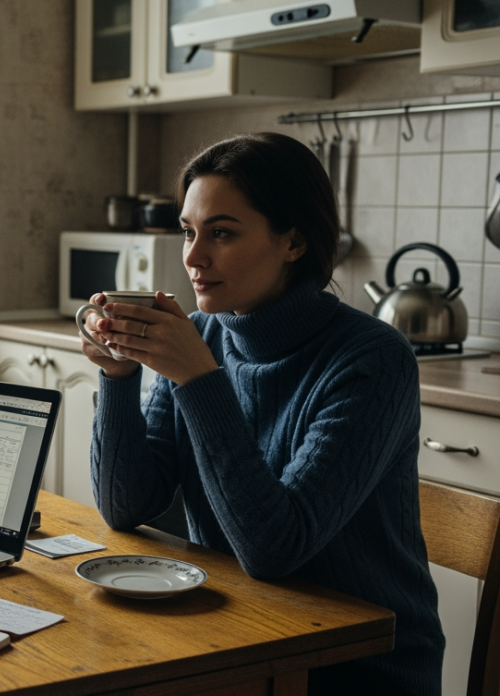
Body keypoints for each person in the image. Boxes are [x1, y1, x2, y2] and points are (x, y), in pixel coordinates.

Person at [81, 133, 444, 696]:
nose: (193, 257)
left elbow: (275, 548)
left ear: (293, 241)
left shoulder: (372, 361)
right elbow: (127, 507)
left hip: (352, 668)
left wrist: (199, 381)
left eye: (221, 233)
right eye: (188, 232)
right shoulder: (203, 334)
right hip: (232, 636)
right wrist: (119, 375)